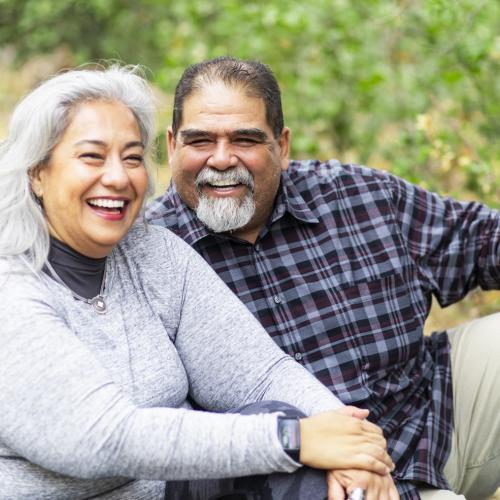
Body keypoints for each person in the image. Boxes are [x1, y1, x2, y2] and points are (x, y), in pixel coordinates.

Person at [0, 66, 395, 499]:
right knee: (286, 438)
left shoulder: (153, 254)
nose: (117, 177)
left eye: (131, 157)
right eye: (92, 157)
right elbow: (102, 437)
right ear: (37, 172)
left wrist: (353, 448)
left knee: (289, 429)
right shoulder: (12, 292)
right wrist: (296, 439)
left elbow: (260, 375)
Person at [146, 56, 500, 500]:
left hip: (431, 420)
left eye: (245, 139)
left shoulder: (357, 195)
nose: (221, 159)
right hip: (314, 483)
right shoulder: (148, 255)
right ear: (172, 144)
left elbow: (482, 238)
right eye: (201, 140)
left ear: (283, 145)